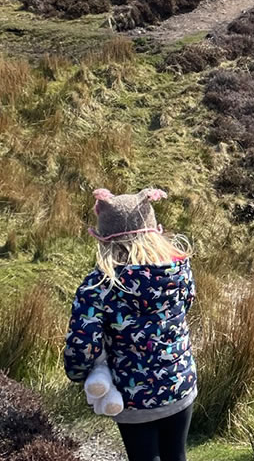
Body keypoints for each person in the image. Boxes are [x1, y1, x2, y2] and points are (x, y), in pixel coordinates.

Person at [64, 188, 197, 461]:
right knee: (176, 455)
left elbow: (82, 346)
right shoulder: (180, 270)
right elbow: (186, 306)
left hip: (132, 396)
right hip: (180, 384)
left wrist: (81, 375)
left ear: (105, 240)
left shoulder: (98, 286)